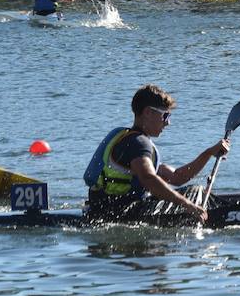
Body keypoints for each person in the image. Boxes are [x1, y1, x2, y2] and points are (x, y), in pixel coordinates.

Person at [84, 84, 230, 221]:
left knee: (193, 192)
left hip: (104, 210)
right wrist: (188, 206)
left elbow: (177, 177)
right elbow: (149, 179)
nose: (168, 123)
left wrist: (209, 153)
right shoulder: (139, 144)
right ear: (148, 112)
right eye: (165, 116)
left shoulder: (128, 138)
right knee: (195, 192)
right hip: (122, 213)